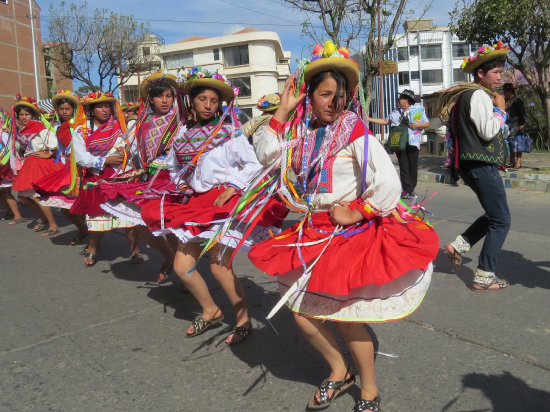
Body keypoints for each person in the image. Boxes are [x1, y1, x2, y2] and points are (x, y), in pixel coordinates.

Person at [249, 41, 439, 411]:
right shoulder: (299, 132)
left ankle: (369, 388)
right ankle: (339, 370)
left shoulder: (354, 131)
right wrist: (283, 112)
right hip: (309, 231)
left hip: (345, 235)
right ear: (309, 95)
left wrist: (356, 210)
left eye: (339, 95)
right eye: (324, 94)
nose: (333, 102)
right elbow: (267, 157)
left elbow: (387, 183)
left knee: (347, 317)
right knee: (301, 310)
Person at [140, 67, 281, 344]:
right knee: (183, 268)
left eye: (214, 101)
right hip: (193, 203)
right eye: (202, 99)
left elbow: (254, 165)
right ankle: (211, 309)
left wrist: (233, 186)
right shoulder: (181, 133)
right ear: (191, 101)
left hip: (221, 205)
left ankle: (242, 320)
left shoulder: (230, 132)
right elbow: (174, 164)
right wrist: (180, 183)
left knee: (219, 267)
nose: (208, 105)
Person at [98, 73, 185, 283]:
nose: (165, 101)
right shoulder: (139, 125)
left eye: (168, 96)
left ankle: (184, 274)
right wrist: (115, 164)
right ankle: (169, 258)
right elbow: (130, 149)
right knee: (142, 227)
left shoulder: (181, 122)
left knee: (172, 229)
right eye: (159, 96)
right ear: (150, 100)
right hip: (148, 179)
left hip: (173, 180)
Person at [442, 42, 511, 290]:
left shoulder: (464, 97)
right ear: (480, 73)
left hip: (471, 166)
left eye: (501, 73)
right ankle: (484, 275)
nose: (499, 78)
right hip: (481, 165)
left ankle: (459, 245)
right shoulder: (479, 95)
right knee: (501, 220)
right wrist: (501, 111)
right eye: (496, 73)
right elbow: (487, 130)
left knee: (495, 214)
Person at [69, 91, 142, 266]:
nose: (105, 109)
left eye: (107, 106)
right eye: (100, 106)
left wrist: (125, 156)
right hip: (97, 177)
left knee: (129, 218)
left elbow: (133, 150)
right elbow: (81, 158)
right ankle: (93, 246)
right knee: (97, 218)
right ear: (91, 110)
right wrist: (105, 160)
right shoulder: (82, 131)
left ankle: (135, 250)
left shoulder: (122, 127)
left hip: (121, 176)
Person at [32, 90, 89, 245]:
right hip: (68, 169)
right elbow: (62, 150)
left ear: (74, 110)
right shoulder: (59, 127)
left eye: (67, 109)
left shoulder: (81, 126)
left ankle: (90, 237)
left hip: (83, 169)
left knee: (83, 205)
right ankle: (84, 230)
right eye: (61, 109)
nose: (64, 112)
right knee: (67, 208)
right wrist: (51, 155)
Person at [10, 96, 65, 236]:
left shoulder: (40, 128)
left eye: (26, 114)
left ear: (33, 115)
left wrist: (49, 154)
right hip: (28, 163)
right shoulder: (21, 131)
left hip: (39, 164)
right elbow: (20, 147)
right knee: (22, 196)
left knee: (37, 196)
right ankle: (43, 217)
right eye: (21, 114)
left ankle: (53, 225)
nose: (23, 117)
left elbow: (55, 143)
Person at [368, 89, 429, 200]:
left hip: (413, 143)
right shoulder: (396, 112)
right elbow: (386, 121)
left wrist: (416, 126)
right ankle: (407, 190)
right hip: (399, 143)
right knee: (404, 166)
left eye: (400, 98)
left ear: (406, 100)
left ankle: (410, 189)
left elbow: (426, 123)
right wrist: (369, 119)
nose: (398, 100)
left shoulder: (418, 110)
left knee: (412, 167)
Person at [0, 109, 24, 223]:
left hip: (4, 166)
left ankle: (17, 215)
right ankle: (10, 211)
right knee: (2, 192)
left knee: (6, 191)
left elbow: (9, 149)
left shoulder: (3, 134)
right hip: (2, 165)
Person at [502, 83, 526, 168]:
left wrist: (521, 124)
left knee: (518, 142)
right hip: (507, 124)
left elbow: (522, 113)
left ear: (510, 91)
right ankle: (512, 161)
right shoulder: (504, 101)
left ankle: (518, 161)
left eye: (505, 91)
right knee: (509, 143)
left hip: (516, 123)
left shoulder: (517, 100)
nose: (504, 93)